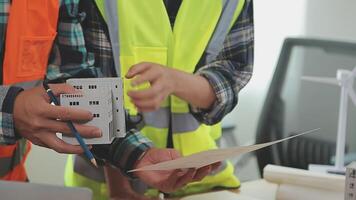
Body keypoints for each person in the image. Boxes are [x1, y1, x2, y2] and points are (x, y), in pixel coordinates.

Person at [0, 0, 216, 195]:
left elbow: (75, 78)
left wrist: (137, 155)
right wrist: (10, 109)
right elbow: (15, 106)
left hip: (12, 183)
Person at [59, 0, 254, 199]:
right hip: (110, 187)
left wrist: (176, 81)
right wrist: (119, 188)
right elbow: (88, 90)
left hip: (202, 183)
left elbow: (231, 76)